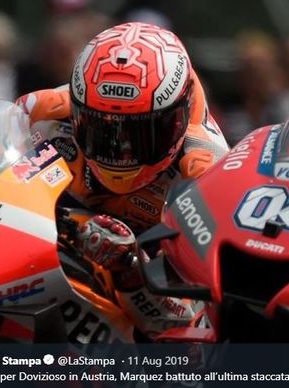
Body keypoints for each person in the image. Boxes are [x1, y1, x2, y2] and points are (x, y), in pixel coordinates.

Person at [15, 22, 229, 339]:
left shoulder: (207, 171)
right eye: (101, 130)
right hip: (32, 273)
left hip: (127, 330)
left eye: (138, 135)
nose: (119, 152)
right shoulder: (43, 112)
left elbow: (191, 320)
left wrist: (130, 268)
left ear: (177, 118)